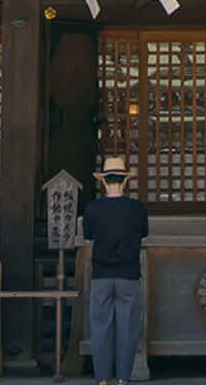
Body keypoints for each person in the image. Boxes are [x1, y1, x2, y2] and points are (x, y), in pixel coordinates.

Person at [80, 155, 150, 385]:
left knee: (101, 328)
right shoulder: (137, 208)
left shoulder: (93, 208)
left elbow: (88, 236)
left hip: (101, 274)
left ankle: (102, 378)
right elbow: (143, 233)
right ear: (125, 181)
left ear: (103, 182)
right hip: (129, 275)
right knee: (127, 329)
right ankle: (123, 378)